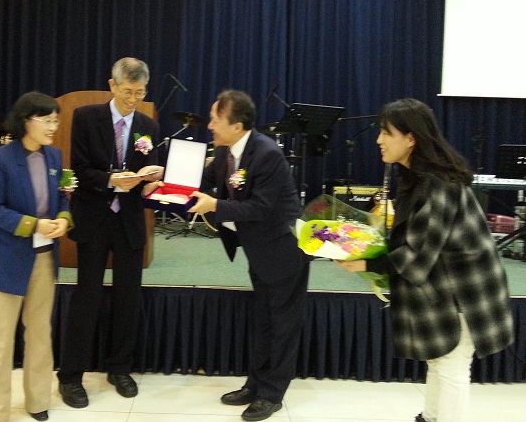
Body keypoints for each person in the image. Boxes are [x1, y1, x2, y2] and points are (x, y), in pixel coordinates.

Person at [337, 98, 514, 422]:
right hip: (444, 289)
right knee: (441, 360)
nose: (378, 140)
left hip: (464, 294)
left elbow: (418, 254)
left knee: (451, 366)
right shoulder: (418, 177)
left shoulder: (439, 185)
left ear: (411, 138)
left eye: (386, 133)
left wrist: (365, 263)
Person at [189, 90, 310, 422]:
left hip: (284, 251)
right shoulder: (225, 150)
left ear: (237, 126)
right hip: (258, 250)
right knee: (263, 321)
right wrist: (166, 180)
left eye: (215, 119)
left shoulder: (267, 154)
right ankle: (255, 384)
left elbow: (260, 207)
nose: (209, 125)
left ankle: (272, 394)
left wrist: (215, 205)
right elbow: (203, 180)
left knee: (283, 325)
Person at [57, 57, 163, 407]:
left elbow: (148, 172)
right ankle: (71, 376)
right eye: (128, 91)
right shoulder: (87, 117)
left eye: (140, 92)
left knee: (128, 297)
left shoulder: (148, 125)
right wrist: (111, 180)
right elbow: (80, 168)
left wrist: (152, 179)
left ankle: (120, 368)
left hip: (129, 221)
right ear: (112, 85)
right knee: (87, 296)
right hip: (94, 217)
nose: (133, 99)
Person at [0, 91, 73, 422]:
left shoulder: (55, 156)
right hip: (4, 260)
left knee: (40, 333)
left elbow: (64, 197)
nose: (53, 127)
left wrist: (63, 219)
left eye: (56, 120)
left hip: (43, 258)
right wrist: (33, 225)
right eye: (48, 120)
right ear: (26, 121)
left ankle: (38, 401)